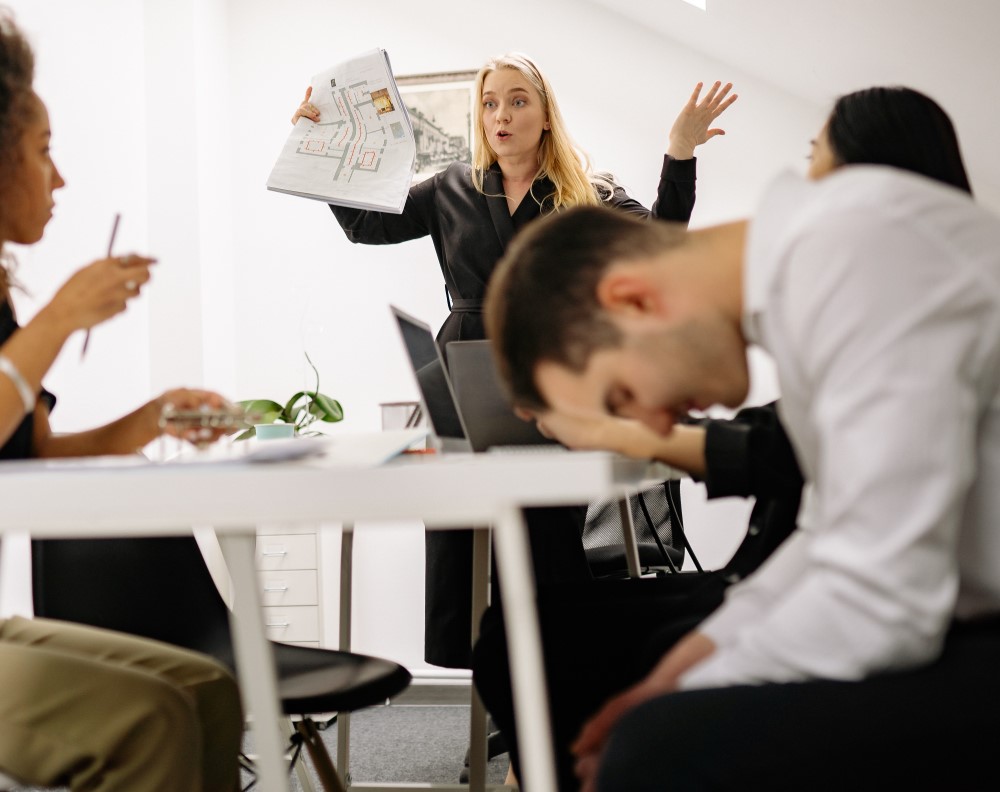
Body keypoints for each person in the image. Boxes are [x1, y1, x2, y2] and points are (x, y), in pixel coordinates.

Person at [483, 87, 1000, 790]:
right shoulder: (814, 267)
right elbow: (825, 538)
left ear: (632, 300)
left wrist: (685, 695)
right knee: (644, 709)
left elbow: (884, 598)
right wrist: (684, 665)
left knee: (655, 749)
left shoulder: (850, 251)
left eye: (623, 396)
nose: (656, 429)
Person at [293, 52, 738, 669]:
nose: (501, 114)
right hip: (463, 372)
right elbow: (366, 226)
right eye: (489, 101)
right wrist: (323, 148)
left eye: (518, 100)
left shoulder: (586, 193)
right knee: (464, 538)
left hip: (549, 377)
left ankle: (550, 699)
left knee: (547, 540)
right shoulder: (450, 186)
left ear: (545, 114)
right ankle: (498, 697)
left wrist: (680, 151)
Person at [0, 12, 242, 791]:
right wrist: (61, 316)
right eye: (43, 153)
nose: (59, 179)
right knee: (149, 717)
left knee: (205, 689)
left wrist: (151, 419)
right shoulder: (31, 320)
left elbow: (32, 454)